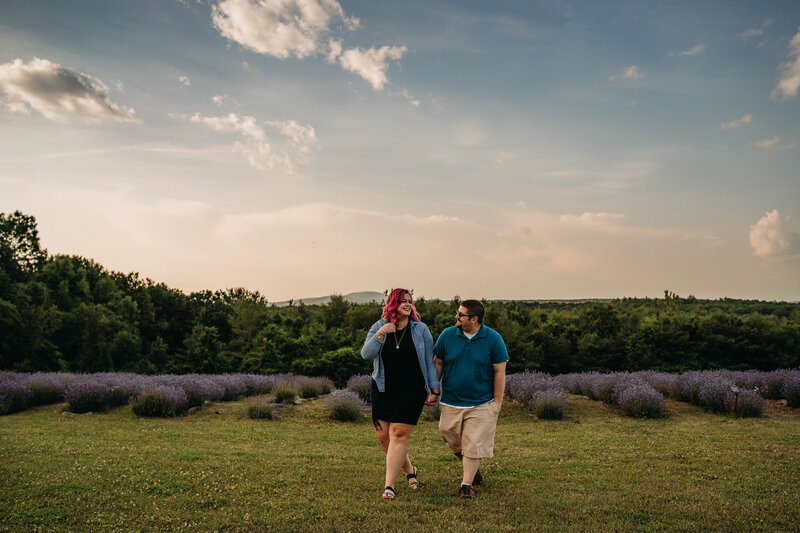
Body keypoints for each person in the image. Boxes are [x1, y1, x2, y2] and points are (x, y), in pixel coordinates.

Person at [361, 288, 440, 500]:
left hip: (411, 390)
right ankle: (410, 470)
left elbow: (428, 361)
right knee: (384, 439)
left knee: (398, 435)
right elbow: (366, 354)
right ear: (393, 303)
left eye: (410, 301)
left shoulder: (420, 329)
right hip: (383, 389)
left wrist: (434, 388)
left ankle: (389, 486)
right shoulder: (379, 326)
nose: (407, 304)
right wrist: (381, 334)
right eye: (403, 301)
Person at [433, 299, 508, 499]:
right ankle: (472, 465)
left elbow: (499, 372)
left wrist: (497, 403)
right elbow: (438, 363)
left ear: (474, 319)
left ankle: (466, 485)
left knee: (473, 443)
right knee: (450, 436)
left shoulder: (493, 339)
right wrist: (433, 389)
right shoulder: (448, 335)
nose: (456, 317)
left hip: (481, 403)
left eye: (461, 314)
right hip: (451, 401)